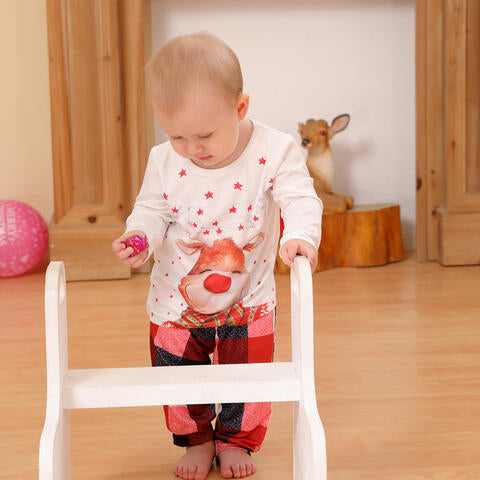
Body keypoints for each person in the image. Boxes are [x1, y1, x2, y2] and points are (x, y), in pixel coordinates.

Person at [112, 32, 322, 480]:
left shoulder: (274, 151)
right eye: (177, 136)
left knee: (249, 376)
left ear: (240, 108)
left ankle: (235, 440)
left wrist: (300, 235)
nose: (192, 149)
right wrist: (139, 236)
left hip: (249, 300)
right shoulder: (164, 161)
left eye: (204, 135)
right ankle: (197, 440)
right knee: (175, 373)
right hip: (176, 302)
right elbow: (151, 210)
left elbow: (300, 196)